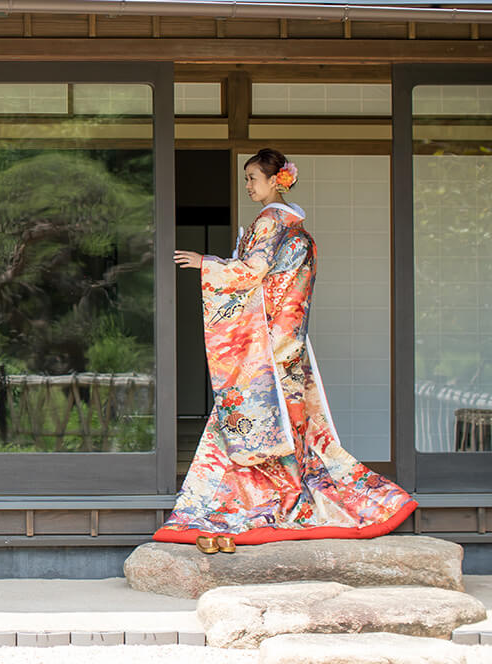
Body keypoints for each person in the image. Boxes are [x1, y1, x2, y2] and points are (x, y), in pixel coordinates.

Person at [157, 149, 416, 553]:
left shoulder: (270, 221)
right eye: (246, 179)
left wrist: (205, 262)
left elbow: (251, 273)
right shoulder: (295, 227)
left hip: (267, 343)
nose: (248, 186)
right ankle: (289, 492)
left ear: (276, 180)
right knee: (292, 423)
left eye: (253, 179)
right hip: (290, 339)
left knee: (249, 420)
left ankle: (253, 502)